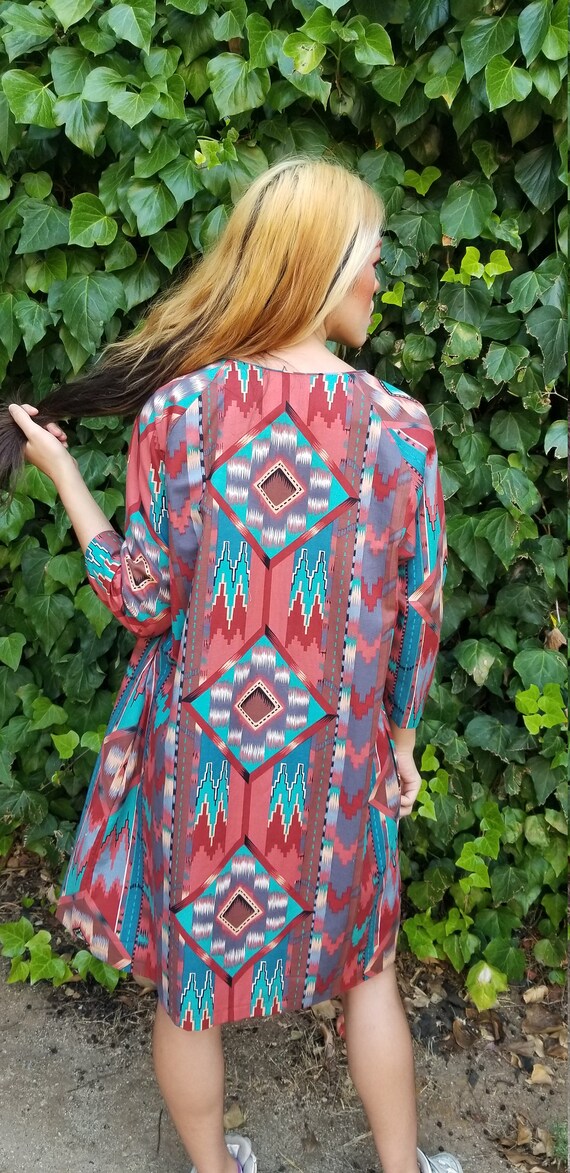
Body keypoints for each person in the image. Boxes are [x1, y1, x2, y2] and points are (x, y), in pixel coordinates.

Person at [3, 157, 460, 1173]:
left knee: (191, 993)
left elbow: (142, 599)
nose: (378, 279)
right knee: (370, 968)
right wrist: (401, 737)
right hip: (338, 765)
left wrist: (63, 474)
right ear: (320, 268)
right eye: (368, 259)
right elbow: (417, 608)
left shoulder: (180, 415)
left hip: (202, 768)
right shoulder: (400, 430)